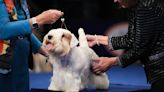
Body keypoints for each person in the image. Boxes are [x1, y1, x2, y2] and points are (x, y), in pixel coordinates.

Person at [86, 0, 164, 92]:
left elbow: (140, 48)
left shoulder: (148, 6)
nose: (115, 0)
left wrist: (112, 61)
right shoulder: (135, 6)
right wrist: (98, 39)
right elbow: (131, 39)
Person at [0, 0, 63, 92]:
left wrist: (45, 51)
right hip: (3, 66)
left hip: (21, 63)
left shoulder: (22, 2)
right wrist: (39, 20)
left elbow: (23, 31)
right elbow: (3, 30)